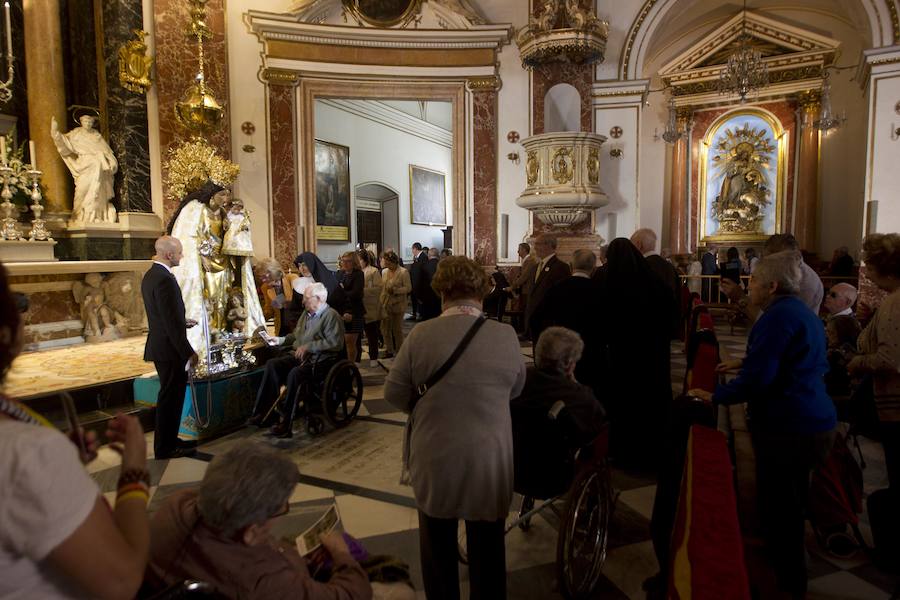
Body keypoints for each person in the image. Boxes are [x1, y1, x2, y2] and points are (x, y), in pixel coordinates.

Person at [1, 262, 151, 600]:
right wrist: (134, 473)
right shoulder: (26, 453)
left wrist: (61, 464)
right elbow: (122, 581)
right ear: (7, 335)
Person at [690, 251, 836, 597]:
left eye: (753, 281)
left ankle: (785, 586)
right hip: (812, 419)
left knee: (781, 512)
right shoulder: (797, 311)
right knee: (790, 505)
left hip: (792, 425)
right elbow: (793, 359)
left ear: (771, 286)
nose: (748, 285)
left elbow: (762, 379)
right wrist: (744, 362)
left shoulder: (777, 318)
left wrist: (714, 397)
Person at [385, 256, 526, 600]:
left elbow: (394, 393)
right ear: (481, 290)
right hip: (488, 456)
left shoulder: (420, 335)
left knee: (437, 547)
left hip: (435, 453)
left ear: (441, 291)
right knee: (489, 548)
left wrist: (432, 410)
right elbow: (517, 389)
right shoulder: (505, 335)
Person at [146, 441, 372, 599]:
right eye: (281, 507)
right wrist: (342, 555)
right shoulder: (263, 582)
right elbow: (350, 594)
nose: (284, 510)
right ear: (251, 532)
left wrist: (290, 552)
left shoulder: (176, 504)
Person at [596, 238, 674, 468]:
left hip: (621, 359)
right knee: (650, 404)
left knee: (624, 405)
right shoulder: (656, 284)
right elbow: (671, 316)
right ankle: (653, 450)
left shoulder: (608, 282)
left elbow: (599, 320)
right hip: (653, 358)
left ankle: (622, 451)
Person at [167, 181, 265, 362]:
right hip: (208, 264)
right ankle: (210, 336)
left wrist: (239, 224)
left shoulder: (224, 213)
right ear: (212, 195)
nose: (226, 198)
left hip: (224, 261)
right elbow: (195, 237)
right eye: (222, 195)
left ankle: (221, 333)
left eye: (228, 194)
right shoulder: (199, 211)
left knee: (224, 298)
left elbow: (230, 235)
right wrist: (202, 256)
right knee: (211, 300)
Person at [249, 283, 345, 437]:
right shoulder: (306, 314)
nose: (303, 302)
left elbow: (335, 343)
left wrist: (309, 347)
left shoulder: (331, 316)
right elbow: (296, 336)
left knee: (295, 374)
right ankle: (265, 412)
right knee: (272, 365)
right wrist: (278, 340)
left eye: (306, 298)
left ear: (319, 298)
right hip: (300, 356)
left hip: (320, 361)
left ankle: (286, 423)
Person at [511, 327, 606, 482]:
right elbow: (598, 423)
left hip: (512, 468)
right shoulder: (578, 396)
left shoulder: (518, 381)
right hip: (555, 476)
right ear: (569, 364)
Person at [848, 233, 900, 490]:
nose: (866, 272)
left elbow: (889, 359)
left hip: (895, 404)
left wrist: (858, 362)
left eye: (869, 264)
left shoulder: (894, 302)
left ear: (885, 266)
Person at [141, 236, 199, 459]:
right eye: (180, 253)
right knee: (170, 399)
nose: (181, 256)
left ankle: (170, 440)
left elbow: (163, 315)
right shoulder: (164, 279)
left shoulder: (151, 276)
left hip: (162, 345)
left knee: (171, 398)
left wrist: (181, 321)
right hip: (169, 349)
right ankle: (165, 448)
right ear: (169, 255)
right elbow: (170, 325)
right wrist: (188, 352)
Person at [530, 249, 604, 394]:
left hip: (560, 354)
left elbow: (536, 319)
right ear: (593, 269)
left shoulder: (557, 288)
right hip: (592, 356)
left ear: (571, 266)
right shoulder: (601, 291)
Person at [721, 234, 824, 320]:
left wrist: (741, 298)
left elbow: (775, 323)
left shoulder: (803, 282)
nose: (766, 266)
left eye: (769, 262)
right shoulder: (788, 273)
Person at [50, 114, 118, 223]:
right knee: (81, 190)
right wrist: (55, 132)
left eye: (90, 122)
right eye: (86, 122)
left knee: (99, 192)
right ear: (81, 122)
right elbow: (64, 143)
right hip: (84, 165)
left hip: (99, 167)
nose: (88, 124)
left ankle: (97, 215)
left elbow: (108, 152)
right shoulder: (76, 134)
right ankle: (78, 214)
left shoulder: (97, 136)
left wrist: (112, 162)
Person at [631, 228, 681, 337]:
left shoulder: (639, 266)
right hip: (667, 323)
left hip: (644, 326)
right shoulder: (669, 266)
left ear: (639, 245)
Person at [525, 235, 571, 342]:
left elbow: (561, 297)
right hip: (535, 321)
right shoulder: (535, 267)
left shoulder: (561, 267)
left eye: (538, 244)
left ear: (549, 245)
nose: (535, 248)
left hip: (549, 322)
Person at [380, 251, 411, 358]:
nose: (387, 265)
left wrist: (396, 290)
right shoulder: (384, 272)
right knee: (385, 329)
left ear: (394, 262)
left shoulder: (403, 272)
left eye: (389, 263)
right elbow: (382, 288)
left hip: (398, 304)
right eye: (386, 263)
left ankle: (400, 351)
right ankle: (389, 350)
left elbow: (408, 288)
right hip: (386, 304)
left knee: (397, 329)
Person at [337, 251, 365, 364]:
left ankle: (351, 366)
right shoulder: (340, 274)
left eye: (348, 261)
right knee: (343, 342)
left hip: (355, 311)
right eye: (343, 261)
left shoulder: (358, 274)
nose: (345, 263)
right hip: (342, 311)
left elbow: (356, 293)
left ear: (353, 262)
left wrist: (342, 290)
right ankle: (345, 365)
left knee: (350, 342)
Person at [359, 250, 384, 367]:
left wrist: (362, 291)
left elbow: (379, 288)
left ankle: (373, 357)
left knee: (372, 334)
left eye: (360, 260)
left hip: (371, 306)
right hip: (359, 306)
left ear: (365, 260)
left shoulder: (373, 271)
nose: (358, 262)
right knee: (358, 334)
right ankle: (357, 358)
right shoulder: (356, 272)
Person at [509, 242, 538, 319]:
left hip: (527, 290)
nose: (517, 252)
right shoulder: (526, 261)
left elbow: (524, 277)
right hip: (524, 290)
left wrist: (512, 287)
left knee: (525, 313)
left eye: (519, 249)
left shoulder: (530, 261)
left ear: (524, 250)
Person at [418, 248, 442, 320]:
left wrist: (419, 296)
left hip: (426, 297)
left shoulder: (423, 266)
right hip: (439, 297)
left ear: (428, 255)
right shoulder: (442, 265)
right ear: (438, 255)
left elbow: (419, 282)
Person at [408, 242, 426, 321]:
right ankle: (415, 314)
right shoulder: (416, 257)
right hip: (414, 283)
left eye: (412, 249)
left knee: (419, 300)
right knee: (414, 299)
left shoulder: (423, 257)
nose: (412, 251)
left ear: (415, 249)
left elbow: (421, 271)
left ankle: (419, 315)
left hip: (419, 283)